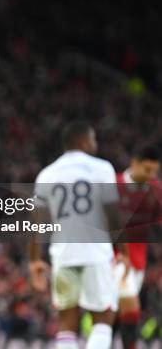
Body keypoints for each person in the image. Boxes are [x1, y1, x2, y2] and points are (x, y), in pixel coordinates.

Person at [29, 121, 130, 349]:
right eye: (93, 139)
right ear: (84, 141)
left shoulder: (46, 175)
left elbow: (37, 224)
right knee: (104, 317)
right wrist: (123, 251)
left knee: (66, 321)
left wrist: (35, 259)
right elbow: (113, 214)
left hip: (63, 255)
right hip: (96, 252)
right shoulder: (102, 168)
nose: (95, 144)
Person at [115, 146, 161, 349]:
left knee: (117, 315)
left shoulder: (156, 190)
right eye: (147, 170)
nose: (151, 175)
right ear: (134, 163)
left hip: (137, 263)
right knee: (130, 308)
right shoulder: (112, 185)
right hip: (111, 258)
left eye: (154, 171)